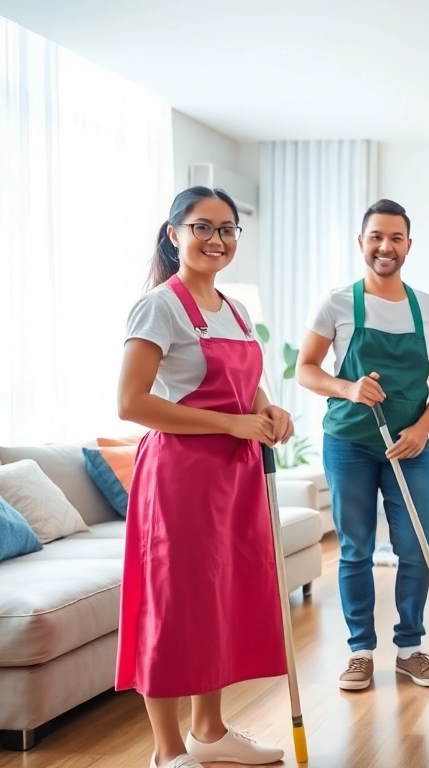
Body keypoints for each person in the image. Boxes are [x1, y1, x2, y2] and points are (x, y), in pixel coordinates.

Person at [115, 186, 294, 768]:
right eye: (202, 227)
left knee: (215, 599)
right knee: (173, 606)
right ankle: (168, 753)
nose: (216, 240)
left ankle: (209, 732)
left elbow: (248, 388)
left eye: (227, 229)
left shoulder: (235, 309)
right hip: (180, 478)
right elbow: (132, 403)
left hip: (233, 477)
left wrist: (269, 409)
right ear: (174, 234)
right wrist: (230, 425)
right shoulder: (158, 307)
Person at [296, 199, 429, 691]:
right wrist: (346, 388)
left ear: (408, 245)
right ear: (362, 241)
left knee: (416, 547)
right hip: (350, 443)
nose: (385, 247)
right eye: (376, 237)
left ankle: (409, 648)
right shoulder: (337, 303)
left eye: (395, 238)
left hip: (409, 445)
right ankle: (360, 651)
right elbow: (306, 369)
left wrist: (423, 428)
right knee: (355, 549)